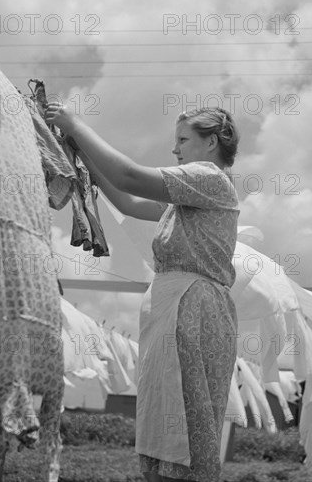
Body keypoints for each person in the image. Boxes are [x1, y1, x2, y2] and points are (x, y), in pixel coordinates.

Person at [44, 103, 241, 482]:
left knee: (183, 432)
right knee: (167, 430)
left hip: (191, 310)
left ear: (212, 142)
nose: (175, 149)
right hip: (175, 312)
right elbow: (127, 200)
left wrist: (77, 125)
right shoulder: (185, 198)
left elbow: (131, 177)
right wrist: (77, 151)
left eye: (183, 139)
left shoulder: (209, 177)